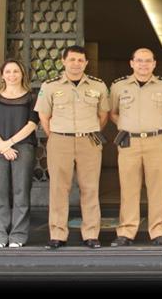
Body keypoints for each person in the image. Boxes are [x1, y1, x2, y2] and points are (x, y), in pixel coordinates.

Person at [34, 45, 109, 249]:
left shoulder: (98, 86)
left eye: (80, 60)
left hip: (89, 140)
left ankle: (91, 234)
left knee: (90, 188)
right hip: (60, 139)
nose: (76, 64)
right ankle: (57, 234)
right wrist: (57, 135)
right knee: (59, 188)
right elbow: (43, 115)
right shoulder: (50, 86)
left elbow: (104, 115)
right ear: (63, 61)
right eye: (72, 60)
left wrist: (88, 130)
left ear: (86, 63)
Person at [108, 48, 162, 247]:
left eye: (148, 61)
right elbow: (112, 113)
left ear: (154, 64)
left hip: (157, 141)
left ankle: (159, 232)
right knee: (128, 188)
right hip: (128, 142)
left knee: (159, 188)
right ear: (131, 63)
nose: (143, 65)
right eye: (139, 61)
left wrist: (155, 125)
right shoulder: (118, 86)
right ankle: (126, 231)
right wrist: (128, 126)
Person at [0, 59, 39, 248]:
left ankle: (17, 236)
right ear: (2, 75)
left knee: (21, 193)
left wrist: (10, 143)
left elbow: (32, 123)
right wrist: (1, 145)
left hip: (22, 147)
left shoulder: (31, 96)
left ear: (22, 74)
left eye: (16, 71)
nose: (12, 75)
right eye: (8, 71)